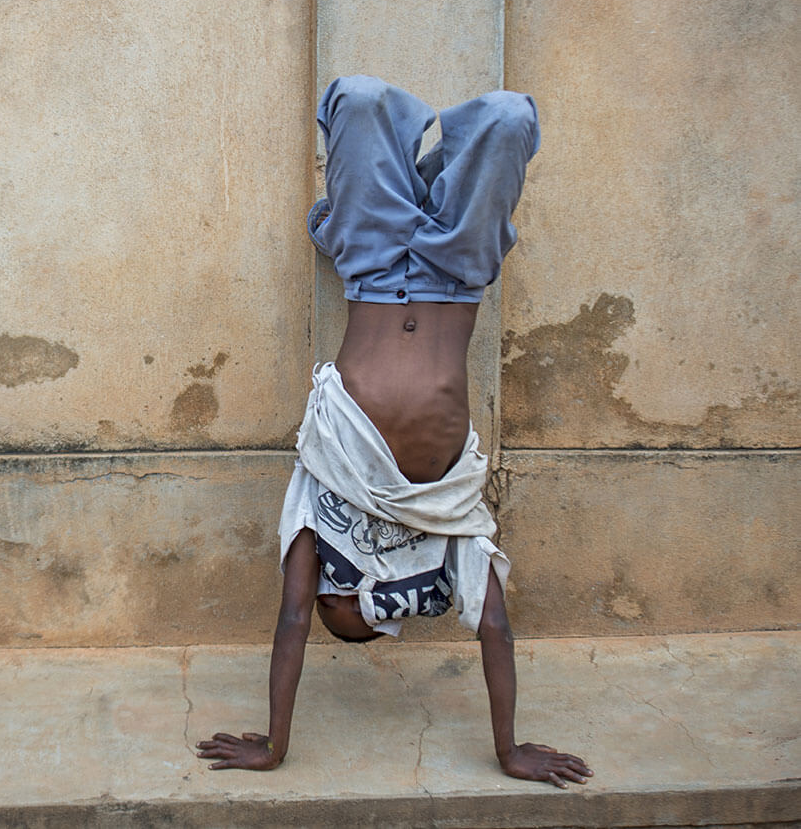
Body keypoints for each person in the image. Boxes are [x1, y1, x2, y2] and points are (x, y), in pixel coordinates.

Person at [197, 76, 591, 788]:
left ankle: (354, 214)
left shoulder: (320, 507)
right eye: (374, 612)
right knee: (508, 118)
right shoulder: (446, 529)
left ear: (331, 592)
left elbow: (292, 621)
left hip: (374, 271)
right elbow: (493, 627)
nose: (360, 600)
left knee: (360, 100)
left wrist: (274, 746)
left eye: (343, 605)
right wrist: (509, 751)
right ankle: (417, 187)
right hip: (458, 275)